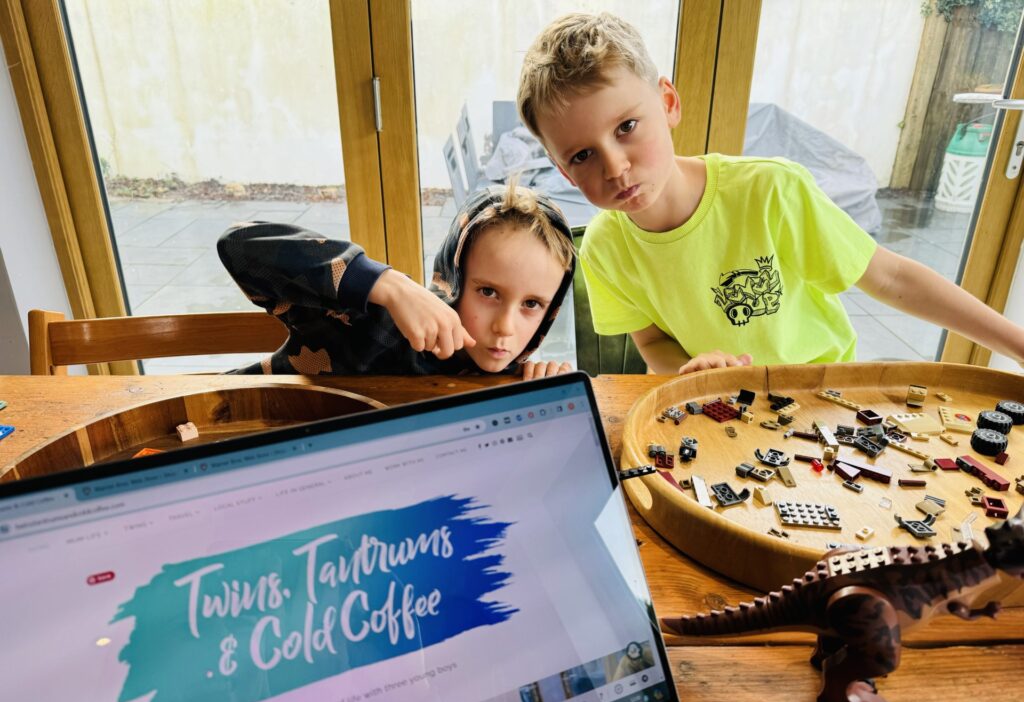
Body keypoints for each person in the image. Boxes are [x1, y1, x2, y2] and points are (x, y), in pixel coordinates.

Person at [516, 12, 1024, 374]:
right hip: (721, 405)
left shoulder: (771, 190)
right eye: (582, 156)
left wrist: (1015, 343)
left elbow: (890, 276)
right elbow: (651, 341)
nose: (616, 166)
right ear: (563, 171)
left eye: (627, 125)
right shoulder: (604, 245)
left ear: (667, 102)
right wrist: (691, 369)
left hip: (820, 391)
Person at [218, 183, 575, 379]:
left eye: (531, 304)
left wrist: (542, 389)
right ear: (453, 278)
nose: (505, 328)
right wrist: (388, 286)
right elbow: (238, 246)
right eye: (488, 292)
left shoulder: (512, 375)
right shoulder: (368, 318)